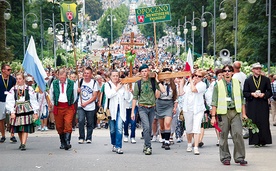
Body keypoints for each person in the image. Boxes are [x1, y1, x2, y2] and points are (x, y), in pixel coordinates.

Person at [211, 65, 248, 166]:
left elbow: (241, 100)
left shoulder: (237, 83)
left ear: (232, 73)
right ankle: (225, 157)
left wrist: (244, 114)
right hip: (223, 113)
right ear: (222, 73)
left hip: (235, 112)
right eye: (225, 71)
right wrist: (213, 117)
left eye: (229, 71)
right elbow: (214, 102)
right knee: (223, 136)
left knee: (238, 134)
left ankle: (240, 157)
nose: (227, 72)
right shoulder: (217, 85)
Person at [131, 64, 163, 155]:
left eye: (146, 71)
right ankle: (148, 147)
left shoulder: (152, 82)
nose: (145, 73)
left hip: (152, 107)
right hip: (142, 107)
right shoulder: (138, 83)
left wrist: (157, 80)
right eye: (143, 71)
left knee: (148, 130)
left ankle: (146, 144)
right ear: (140, 73)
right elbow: (135, 97)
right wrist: (133, 111)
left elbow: (163, 90)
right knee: (146, 127)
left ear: (148, 71)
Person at [5, 72, 39, 150]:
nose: (18, 80)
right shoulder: (13, 89)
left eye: (20, 79)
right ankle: (22, 142)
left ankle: (23, 143)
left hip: (27, 109)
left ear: (24, 79)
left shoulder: (29, 88)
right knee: (19, 128)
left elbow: (33, 100)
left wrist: (35, 112)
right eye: (17, 79)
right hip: (17, 109)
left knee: (25, 127)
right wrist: (12, 111)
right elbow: (9, 101)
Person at [243, 62, 272, 147]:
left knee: (263, 121)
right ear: (252, 70)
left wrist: (264, 95)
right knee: (253, 121)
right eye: (256, 69)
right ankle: (255, 140)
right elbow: (245, 93)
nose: (258, 70)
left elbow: (269, 92)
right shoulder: (248, 80)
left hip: (262, 103)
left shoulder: (265, 79)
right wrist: (252, 94)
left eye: (259, 68)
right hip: (252, 104)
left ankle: (264, 140)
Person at [104, 69, 132, 154]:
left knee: (119, 128)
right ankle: (114, 143)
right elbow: (108, 95)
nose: (115, 77)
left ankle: (118, 146)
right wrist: (117, 88)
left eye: (117, 75)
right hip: (111, 109)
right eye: (114, 76)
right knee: (112, 129)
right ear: (110, 77)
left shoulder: (123, 85)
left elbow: (127, 98)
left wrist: (127, 89)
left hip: (121, 108)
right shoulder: (107, 85)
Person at [49, 69, 77, 150]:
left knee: (68, 123)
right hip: (58, 106)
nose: (62, 79)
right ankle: (62, 142)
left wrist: (70, 102)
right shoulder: (54, 83)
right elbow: (51, 94)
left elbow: (74, 95)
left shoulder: (72, 83)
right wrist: (53, 104)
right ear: (58, 76)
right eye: (60, 77)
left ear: (66, 76)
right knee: (59, 125)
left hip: (68, 107)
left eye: (63, 77)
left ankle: (67, 142)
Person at [181, 69, 206, 155]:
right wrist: (183, 79)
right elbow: (181, 92)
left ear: (202, 78)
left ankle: (195, 146)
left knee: (196, 128)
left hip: (198, 109)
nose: (197, 78)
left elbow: (194, 90)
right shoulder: (188, 85)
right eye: (195, 75)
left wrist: (191, 81)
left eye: (199, 76)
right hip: (187, 109)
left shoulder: (202, 85)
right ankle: (189, 144)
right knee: (188, 129)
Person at [155, 68, 178, 150]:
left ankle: (167, 141)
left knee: (167, 123)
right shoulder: (160, 84)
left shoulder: (174, 85)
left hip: (169, 103)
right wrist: (158, 83)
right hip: (160, 103)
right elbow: (157, 96)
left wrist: (175, 107)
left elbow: (175, 97)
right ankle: (164, 139)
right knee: (161, 126)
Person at [77, 67, 99, 144]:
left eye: (88, 73)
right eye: (85, 73)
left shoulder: (94, 83)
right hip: (81, 105)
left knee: (90, 122)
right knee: (81, 120)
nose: (86, 75)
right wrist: (77, 91)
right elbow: (75, 92)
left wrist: (86, 103)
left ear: (91, 74)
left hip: (90, 106)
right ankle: (81, 137)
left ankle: (89, 137)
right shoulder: (80, 81)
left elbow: (94, 96)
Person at [0, 63, 17, 143]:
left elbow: (15, 89)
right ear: (3, 70)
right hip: (1, 100)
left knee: (12, 118)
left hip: (10, 101)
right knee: (1, 119)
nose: (10, 71)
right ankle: (3, 135)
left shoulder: (13, 79)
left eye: (10, 69)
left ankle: (12, 135)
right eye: (8, 69)